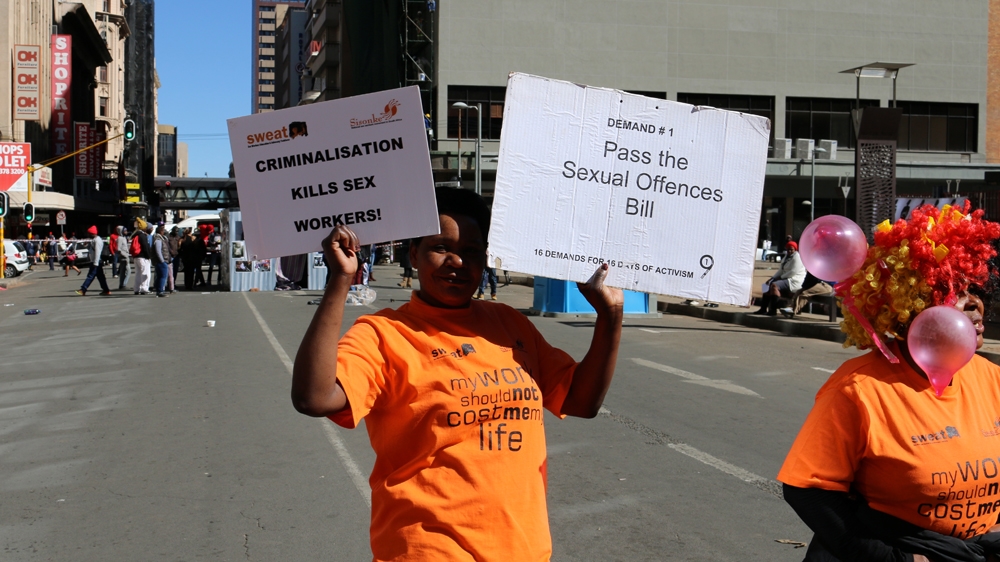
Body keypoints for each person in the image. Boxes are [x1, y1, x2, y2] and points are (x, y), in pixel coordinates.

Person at [291, 187, 624, 560]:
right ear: (413, 255)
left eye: (471, 252)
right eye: (441, 247)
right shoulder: (384, 333)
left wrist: (609, 318)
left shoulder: (508, 322)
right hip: (428, 549)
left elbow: (581, 401)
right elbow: (315, 397)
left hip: (522, 548)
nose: (457, 262)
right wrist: (341, 279)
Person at [778, 203, 1000, 561]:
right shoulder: (859, 389)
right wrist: (895, 559)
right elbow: (808, 491)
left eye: (974, 288)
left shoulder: (992, 378)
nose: (974, 303)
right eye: (951, 290)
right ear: (908, 304)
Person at [755, 240, 806, 315]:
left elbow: (793, 272)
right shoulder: (786, 257)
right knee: (767, 284)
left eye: (791, 249)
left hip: (794, 281)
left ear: (795, 249)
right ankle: (763, 308)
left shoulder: (797, 257)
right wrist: (772, 278)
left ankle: (772, 310)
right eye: (788, 249)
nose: (790, 251)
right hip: (786, 279)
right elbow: (780, 270)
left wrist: (780, 277)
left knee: (774, 285)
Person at [75, 226, 112, 296]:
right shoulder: (95, 240)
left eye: (88, 233)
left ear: (91, 233)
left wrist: (95, 262)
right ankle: (106, 290)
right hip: (96, 261)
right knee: (101, 277)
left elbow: (98, 252)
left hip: (96, 262)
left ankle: (83, 289)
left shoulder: (97, 240)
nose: (87, 235)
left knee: (90, 276)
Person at [131, 219, 152, 295]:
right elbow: (145, 247)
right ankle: (144, 288)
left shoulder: (135, 234)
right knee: (145, 273)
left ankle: (137, 289)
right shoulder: (142, 236)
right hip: (143, 257)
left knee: (138, 273)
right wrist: (149, 256)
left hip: (136, 256)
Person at [151, 225, 171, 297]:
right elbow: (158, 251)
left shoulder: (161, 238)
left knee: (160, 276)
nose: (164, 231)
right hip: (161, 261)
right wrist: (162, 260)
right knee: (163, 276)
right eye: (163, 230)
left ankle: (159, 290)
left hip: (162, 260)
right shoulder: (158, 239)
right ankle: (160, 291)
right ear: (160, 231)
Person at [168, 226, 181, 291]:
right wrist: (170, 251)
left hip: (177, 256)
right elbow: (167, 245)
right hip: (170, 256)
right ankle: (169, 284)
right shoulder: (169, 237)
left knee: (175, 270)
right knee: (170, 271)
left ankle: (173, 283)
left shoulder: (178, 237)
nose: (176, 232)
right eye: (175, 231)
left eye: (177, 231)